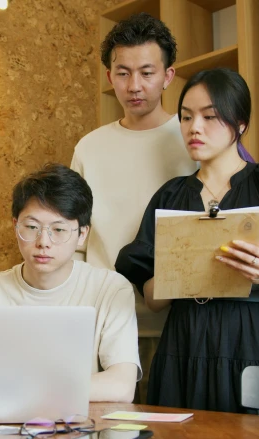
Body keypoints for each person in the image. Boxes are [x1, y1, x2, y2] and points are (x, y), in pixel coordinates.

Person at [116, 68, 259, 413]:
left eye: (210, 117)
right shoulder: (170, 196)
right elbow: (153, 300)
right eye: (186, 117)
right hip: (187, 342)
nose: (194, 127)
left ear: (240, 123)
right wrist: (177, 272)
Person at [0, 164, 141, 403]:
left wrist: (26, 390)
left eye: (58, 229)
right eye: (32, 227)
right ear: (15, 226)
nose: (43, 241)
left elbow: (121, 387)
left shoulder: (111, 290)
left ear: (82, 234)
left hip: (81, 430)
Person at [71, 13, 197, 336]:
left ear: (168, 76)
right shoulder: (89, 148)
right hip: (102, 323)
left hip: (177, 325)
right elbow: (75, 241)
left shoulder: (193, 143)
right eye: (123, 73)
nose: (134, 85)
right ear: (110, 78)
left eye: (146, 72)